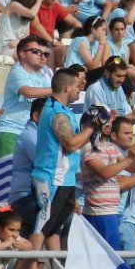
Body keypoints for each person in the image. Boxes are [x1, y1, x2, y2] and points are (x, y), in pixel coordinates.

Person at [30, 69, 97, 255]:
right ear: (67, 87)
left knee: (53, 229)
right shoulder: (56, 113)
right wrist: (93, 126)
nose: (79, 88)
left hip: (64, 179)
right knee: (42, 228)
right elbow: (71, 144)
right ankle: (30, 268)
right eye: (76, 85)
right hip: (52, 178)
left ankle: (57, 267)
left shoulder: (63, 110)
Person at [80, 115, 135, 249]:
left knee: (115, 256)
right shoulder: (89, 148)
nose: (131, 137)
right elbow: (106, 173)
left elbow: (132, 167)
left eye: (131, 133)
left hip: (114, 213)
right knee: (107, 255)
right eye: (126, 133)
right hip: (99, 212)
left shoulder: (111, 147)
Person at [0, 36, 52, 204]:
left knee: (24, 184)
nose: (42, 56)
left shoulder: (45, 75)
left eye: (45, 54)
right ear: (22, 53)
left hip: (31, 132)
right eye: (36, 52)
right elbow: (28, 92)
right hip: (10, 131)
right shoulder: (17, 71)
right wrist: (57, 90)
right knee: (2, 186)